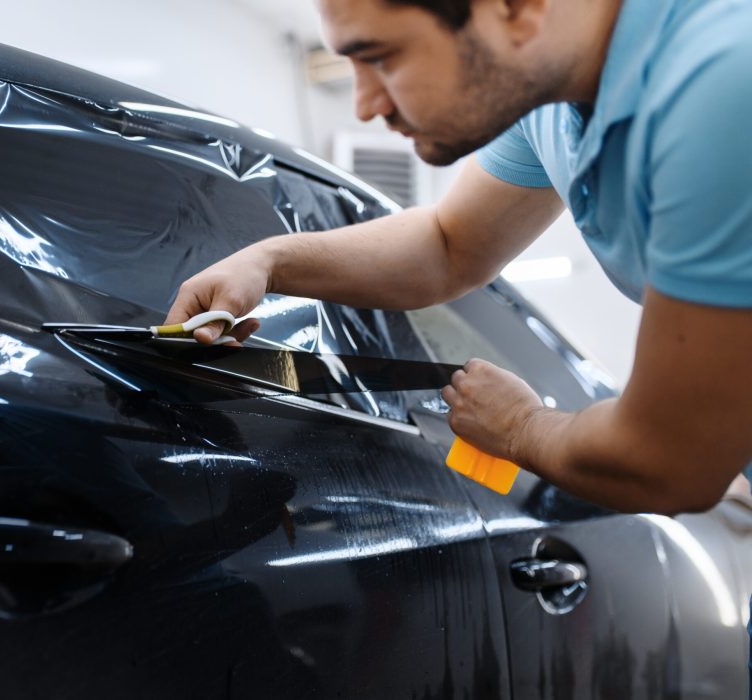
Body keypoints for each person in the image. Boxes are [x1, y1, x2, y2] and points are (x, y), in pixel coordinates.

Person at [165, 0, 752, 687]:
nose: (363, 104)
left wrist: (524, 428)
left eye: (380, 56)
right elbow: (449, 244)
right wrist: (266, 261)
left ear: (517, 8)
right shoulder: (551, 96)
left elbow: (669, 462)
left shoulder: (722, 81)